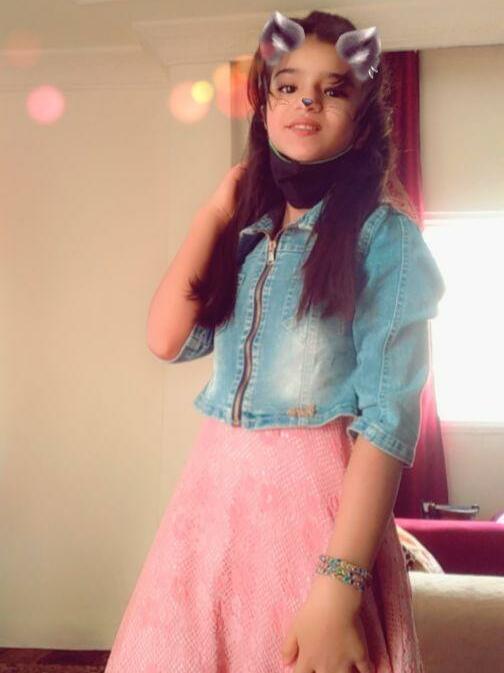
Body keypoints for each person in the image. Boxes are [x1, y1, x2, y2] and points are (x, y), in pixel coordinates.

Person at [105, 9, 445, 673]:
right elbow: (166, 338)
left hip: (314, 519)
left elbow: (387, 426)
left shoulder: (385, 239)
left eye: (333, 89)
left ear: (364, 117)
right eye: (287, 86)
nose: (306, 102)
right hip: (209, 507)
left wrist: (337, 588)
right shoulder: (248, 236)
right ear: (263, 107)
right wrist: (215, 211)